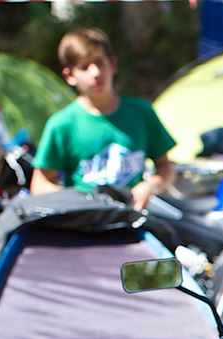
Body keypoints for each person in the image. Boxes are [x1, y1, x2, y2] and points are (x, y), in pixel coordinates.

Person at [30, 28, 177, 212]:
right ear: (69, 76)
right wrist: (77, 199)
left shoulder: (141, 112)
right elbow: (39, 186)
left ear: (113, 64)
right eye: (84, 67)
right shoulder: (61, 124)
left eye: (100, 63)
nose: (95, 73)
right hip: (84, 221)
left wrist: (150, 186)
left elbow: (166, 168)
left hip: (133, 217)